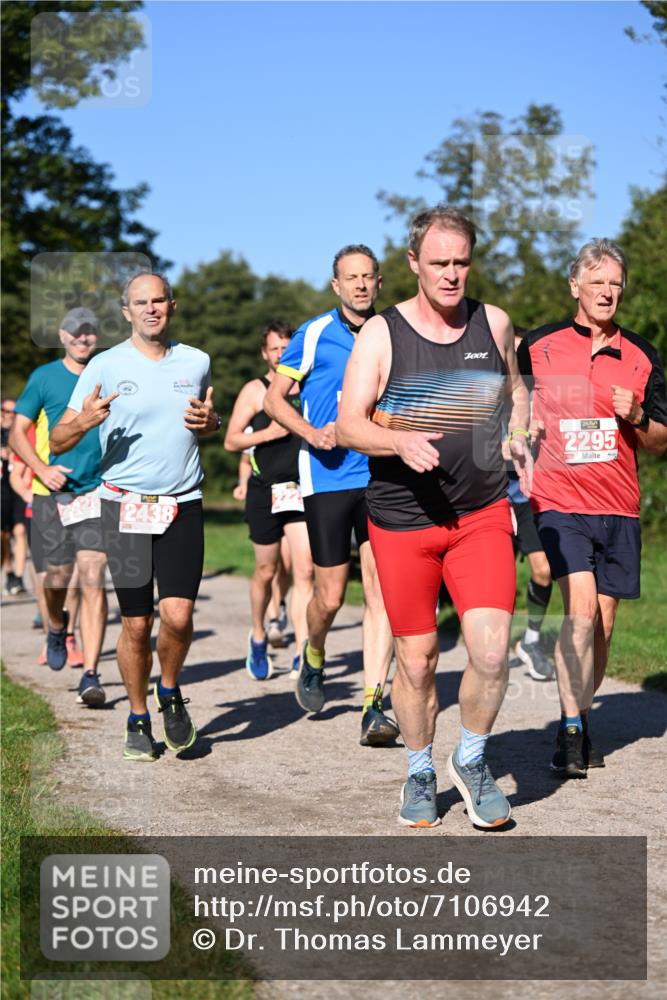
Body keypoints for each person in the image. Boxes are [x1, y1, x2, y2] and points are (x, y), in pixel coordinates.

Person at [337, 206, 532, 828]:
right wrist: (397, 443)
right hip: (402, 521)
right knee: (417, 659)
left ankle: (470, 760)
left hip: (480, 514)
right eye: (439, 262)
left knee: (493, 650)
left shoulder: (492, 323)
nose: (451, 275)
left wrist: (521, 428)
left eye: (462, 262)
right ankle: (419, 769)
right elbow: (349, 422)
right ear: (413, 263)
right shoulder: (382, 335)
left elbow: (517, 384)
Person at [50, 272, 220, 762]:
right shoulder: (104, 365)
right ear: (126, 312)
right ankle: (138, 716)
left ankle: (169, 690)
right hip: (123, 506)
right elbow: (58, 438)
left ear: (172, 305)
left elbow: (206, 421)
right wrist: (84, 421)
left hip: (183, 503)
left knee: (180, 615)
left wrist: (214, 423)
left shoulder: (196, 361)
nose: (151, 309)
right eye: (140, 303)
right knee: (136, 624)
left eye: (159, 300)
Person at [517, 238, 667, 778]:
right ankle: (573, 732)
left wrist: (637, 418)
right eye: (597, 281)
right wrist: (518, 429)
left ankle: (575, 716)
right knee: (579, 610)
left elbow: (660, 441)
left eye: (615, 284)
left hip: (620, 506)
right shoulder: (536, 346)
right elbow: (508, 405)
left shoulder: (643, 355)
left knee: (601, 627)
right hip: (559, 501)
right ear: (574, 285)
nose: (607, 292)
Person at [265, 245, 397, 748]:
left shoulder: (394, 332)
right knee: (331, 595)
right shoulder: (314, 333)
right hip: (327, 476)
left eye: (368, 277)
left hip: (382, 475)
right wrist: (310, 431)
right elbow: (273, 399)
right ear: (336, 285)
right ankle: (314, 653)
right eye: (351, 278)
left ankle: (373, 703)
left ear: (379, 283)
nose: (361, 285)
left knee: (379, 590)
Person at [10, 309, 108, 707]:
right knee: (56, 579)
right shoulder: (45, 377)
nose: (84, 340)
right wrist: (41, 468)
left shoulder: (111, 372)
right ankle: (55, 623)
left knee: (93, 578)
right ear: (62, 336)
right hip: (53, 492)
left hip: (98, 491)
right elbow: (17, 432)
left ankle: (90, 673)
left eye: (90, 334)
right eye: (77, 334)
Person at [224, 321, 314, 680]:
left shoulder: (307, 386)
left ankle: (301, 651)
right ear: (265, 353)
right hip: (264, 489)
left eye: (285, 348)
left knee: (304, 570)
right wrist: (268, 432)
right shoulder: (255, 390)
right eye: (274, 349)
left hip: (300, 488)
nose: (280, 354)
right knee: (266, 570)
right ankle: (259, 635)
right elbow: (231, 441)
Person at [504, 327, 555, 682]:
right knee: (497, 582)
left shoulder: (544, 393)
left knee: (544, 570)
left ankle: (531, 640)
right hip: (491, 494)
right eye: (513, 353)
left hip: (528, 494)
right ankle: (486, 650)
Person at [1, 399, 28, 595]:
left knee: (20, 532)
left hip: (19, 486)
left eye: (14, 410)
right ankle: (8, 570)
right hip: (1, 488)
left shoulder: (22, 430)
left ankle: (18, 578)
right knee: (3, 535)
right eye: (6, 410)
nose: (10, 413)